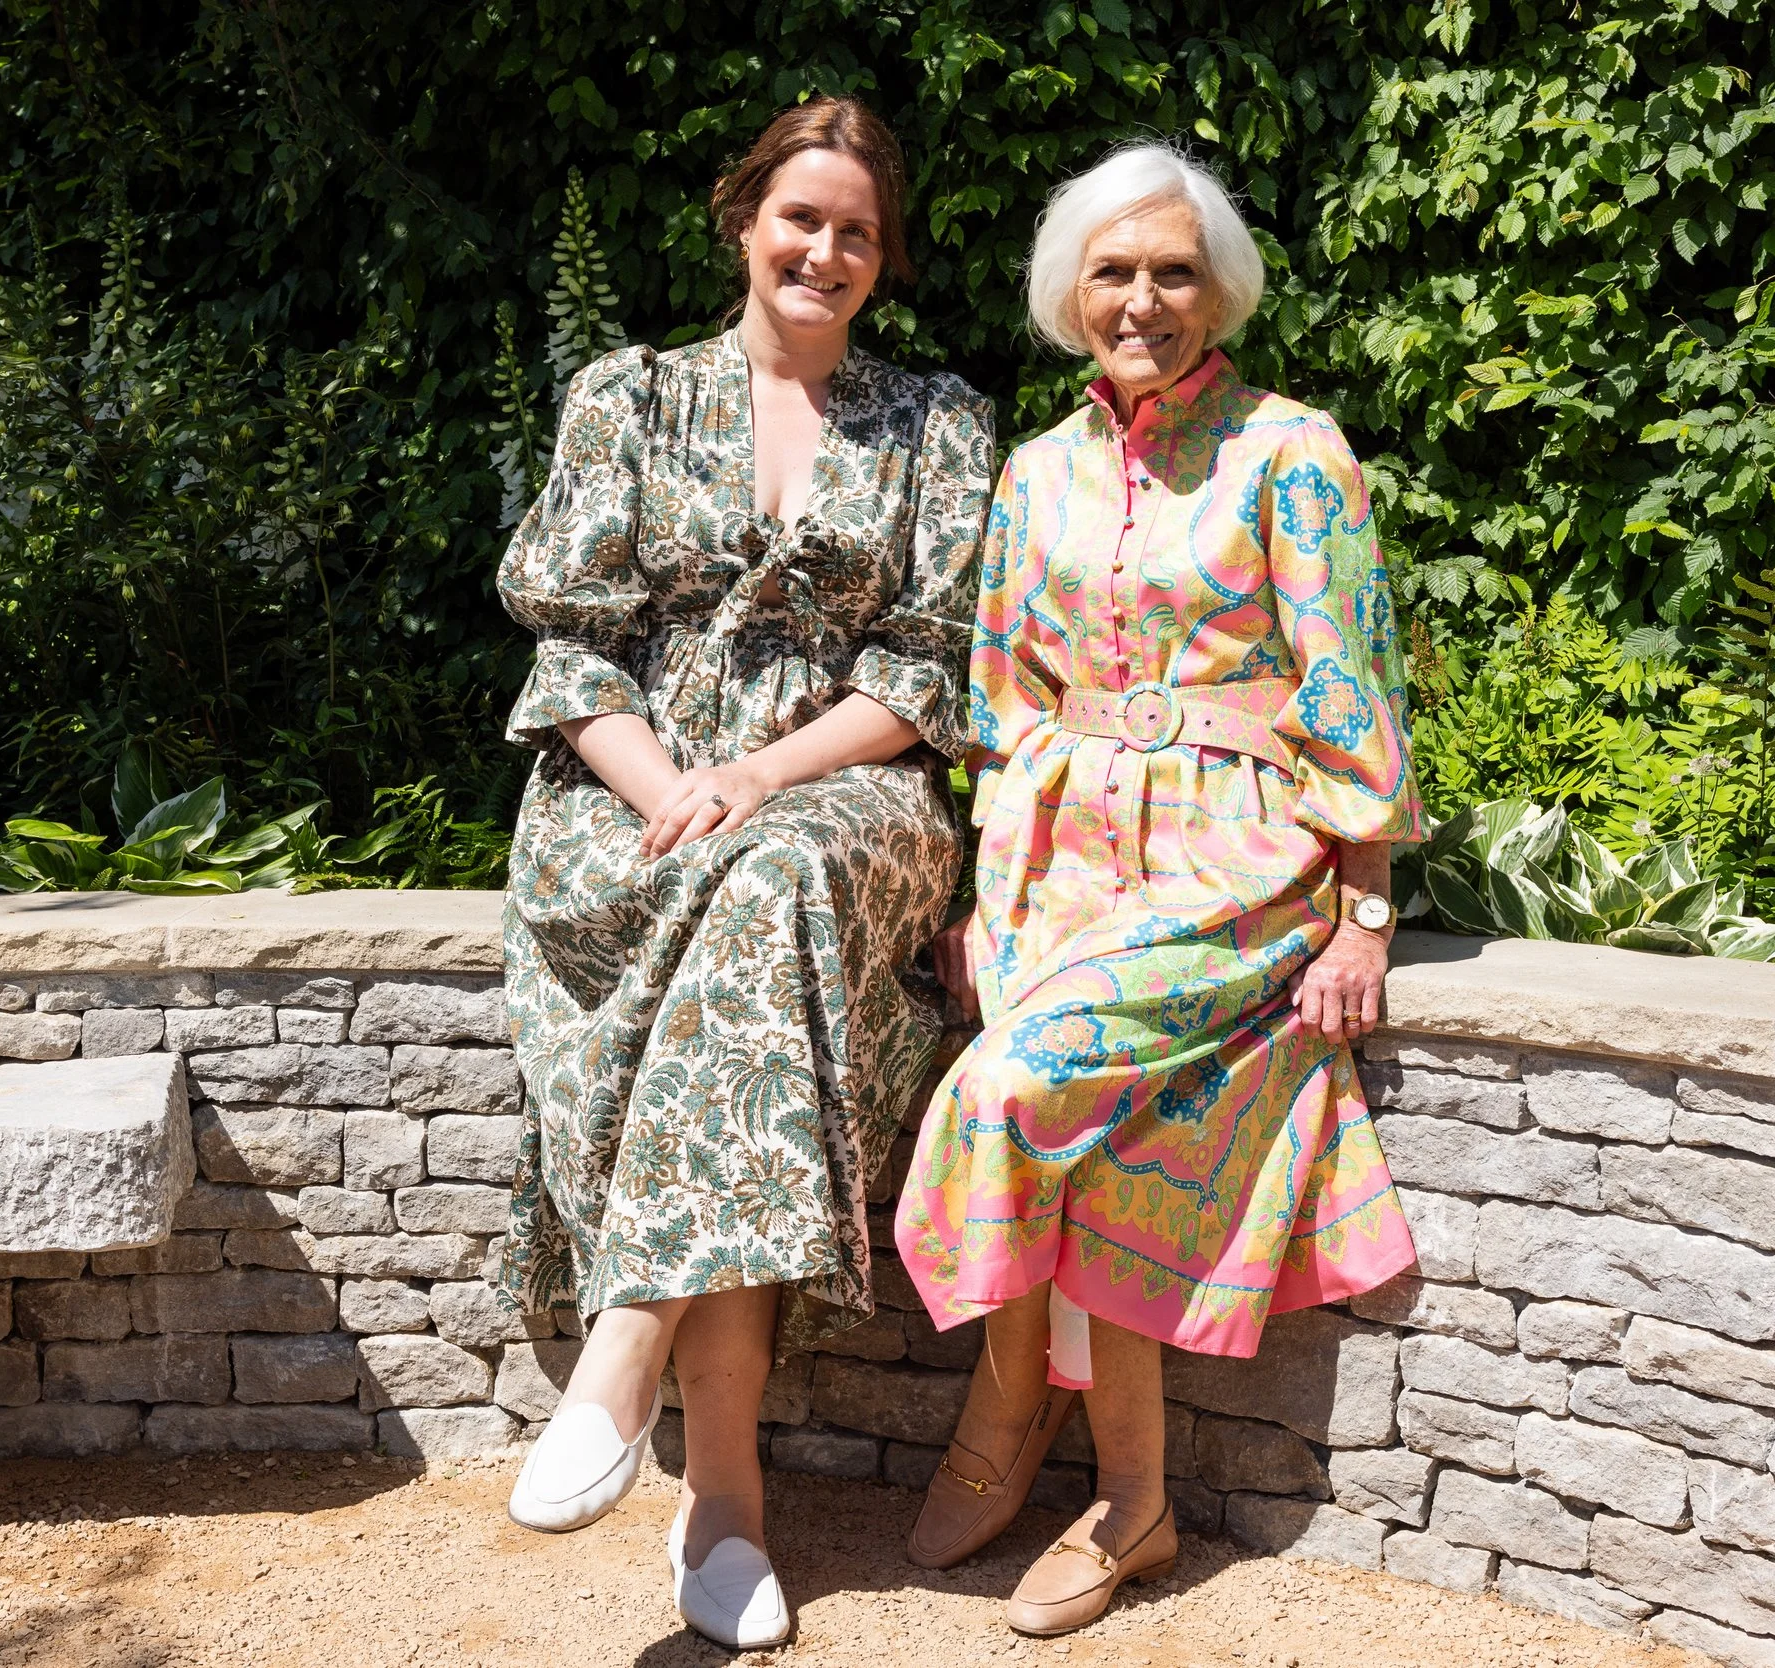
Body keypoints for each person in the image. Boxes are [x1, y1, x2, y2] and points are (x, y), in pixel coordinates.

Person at [897, 141, 1425, 1638]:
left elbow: (1350, 683)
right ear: (1074, 293)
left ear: (1222, 291)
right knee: (1099, 1120)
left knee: (1020, 1085)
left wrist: (1366, 903)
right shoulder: (1034, 469)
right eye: (1115, 272)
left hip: (1230, 860)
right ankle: (1135, 1506)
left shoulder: (1290, 450)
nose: (1144, 301)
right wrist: (974, 891)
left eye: (1175, 272)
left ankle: (1011, 1402)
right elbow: (1000, 695)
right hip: (1049, 854)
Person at [491, 95, 994, 1651]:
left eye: (857, 232)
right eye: (802, 220)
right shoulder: (625, 398)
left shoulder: (938, 425)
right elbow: (573, 649)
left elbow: (928, 670)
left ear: (883, 260)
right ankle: (722, 1504)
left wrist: (760, 777)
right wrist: (672, 791)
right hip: (624, 797)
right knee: (743, 937)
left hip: (849, 797)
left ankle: (627, 1344)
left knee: (771, 882)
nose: (825, 252)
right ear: (742, 221)